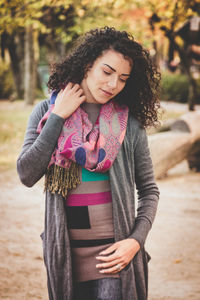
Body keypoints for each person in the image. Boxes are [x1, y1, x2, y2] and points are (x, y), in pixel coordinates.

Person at [17, 26, 160, 300]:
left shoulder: (128, 123)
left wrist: (135, 241)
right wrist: (58, 117)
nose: (113, 84)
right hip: (66, 255)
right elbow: (26, 173)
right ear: (86, 64)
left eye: (123, 78)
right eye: (107, 72)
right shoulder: (46, 112)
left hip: (115, 256)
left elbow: (149, 190)